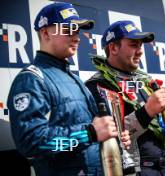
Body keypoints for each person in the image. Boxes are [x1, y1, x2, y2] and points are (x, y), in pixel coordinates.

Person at [7, 3, 130, 176]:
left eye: (78, 31)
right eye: (69, 30)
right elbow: (31, 143)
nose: (77, 37)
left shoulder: (74, 79)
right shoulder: (31, 79)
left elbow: (93, 133)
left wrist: (111, 135)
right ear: (45, 33)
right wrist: (89, 133)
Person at [85, 20, 165, 175]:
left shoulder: (145, 81)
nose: (140, 51)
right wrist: (147, 111)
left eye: (140, 45)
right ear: (113, 48)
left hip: (161, 169)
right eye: (134, 45)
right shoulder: (99, 84)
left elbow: (164, 137)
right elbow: (110, 136)